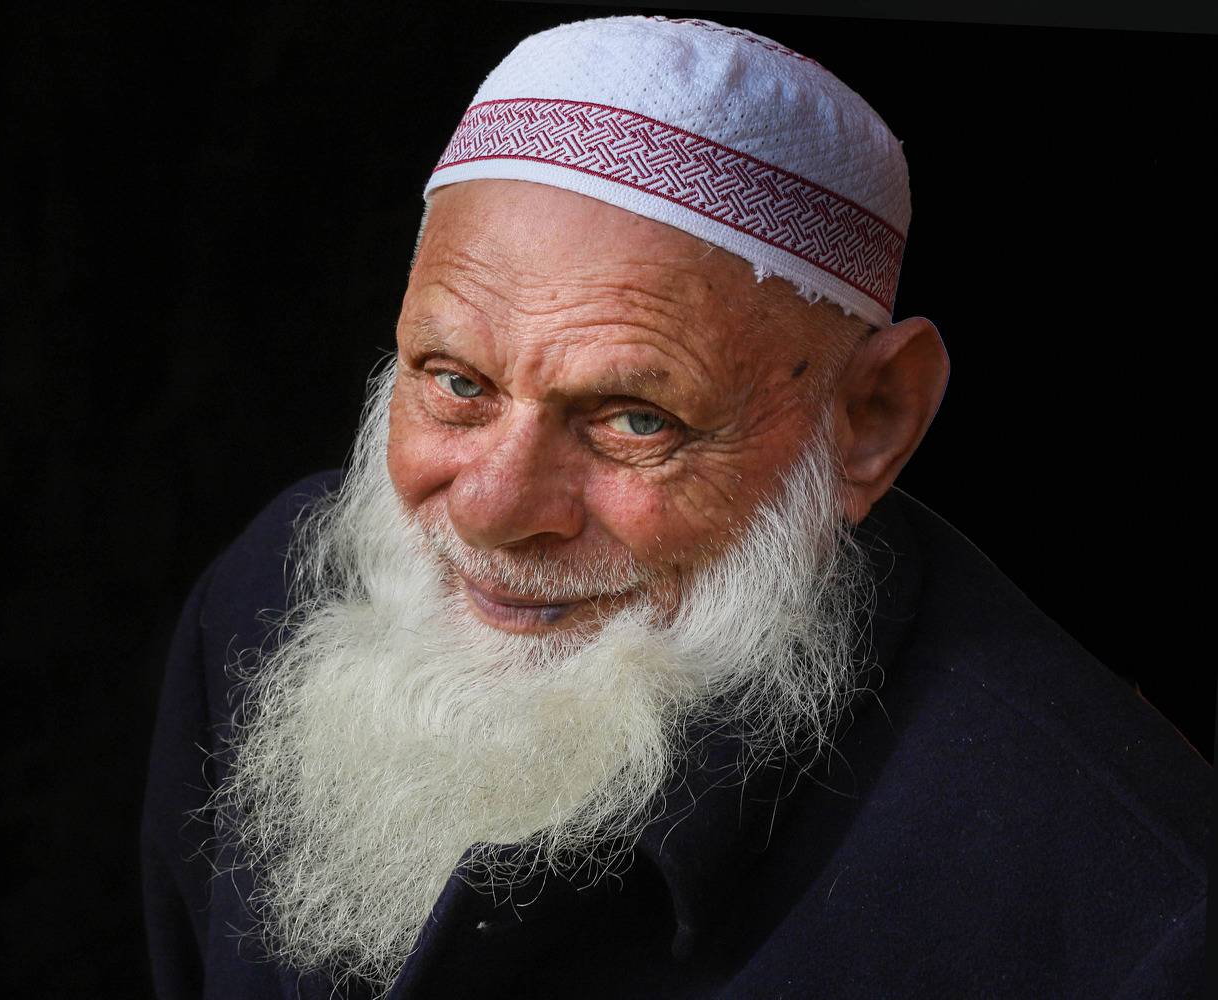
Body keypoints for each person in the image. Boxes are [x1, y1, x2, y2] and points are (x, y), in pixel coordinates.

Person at [141, 16, 1209, 999]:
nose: (496, 510)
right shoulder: (269, 600)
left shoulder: (1130, 905)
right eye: (458, 383)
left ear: (871, 419)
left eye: (634, 420)